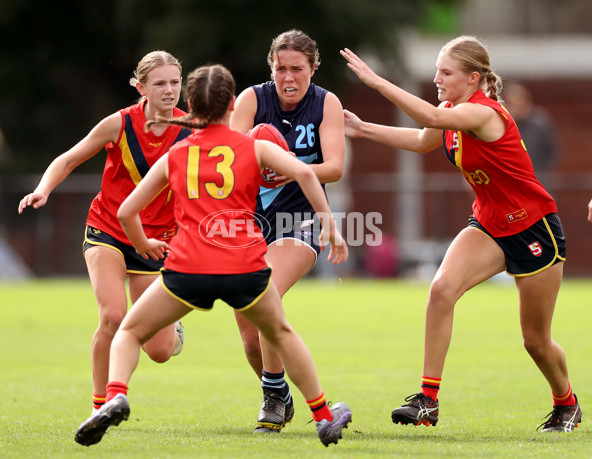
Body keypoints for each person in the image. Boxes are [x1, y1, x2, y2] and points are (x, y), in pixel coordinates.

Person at [73, 64, 352, 447]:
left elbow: (125, 212)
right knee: (281, 333)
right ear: (234, 105)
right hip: (244, 267)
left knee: (129, 331)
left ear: (189, 105)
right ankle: (322, 416)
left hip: (189, 268)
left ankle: (116, 394)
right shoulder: (255, 146)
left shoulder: (177, 153)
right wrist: (330, 227)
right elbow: (306, 175)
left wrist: (144, 245)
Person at [340, 36, 582, 433]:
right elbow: (422, 140)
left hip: (532, 227)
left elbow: (433, 122)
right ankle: (427, 401)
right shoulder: (452, 109)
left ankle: (566, 403)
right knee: (441, 290)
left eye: (445, 72)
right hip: (488, 223)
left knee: (535, 341)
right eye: (436, 70)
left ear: (474, 78)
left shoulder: (484, 114)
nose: (436, 79)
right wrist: (362, 128)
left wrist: (378, 82)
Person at [18, 50, 188, 417]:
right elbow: (69, 158)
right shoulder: (119, 124)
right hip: (107, 230)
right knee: (113, 316)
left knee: (159, 351)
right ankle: (100, 407)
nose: (170, 90)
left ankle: (174, 332)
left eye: (175, 82)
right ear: (140, 87)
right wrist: (43, 190)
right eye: (160, 83)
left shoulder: (192, 127)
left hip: (156, 243)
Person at [230, 28, 346, 434]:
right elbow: (227, 152)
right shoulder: (252, 99)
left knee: (267, 293)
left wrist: (291, 169)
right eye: (281, 68)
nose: (288, 77)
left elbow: (334, 166)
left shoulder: (325, 103)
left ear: (313, 68)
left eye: (298, 68)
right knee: (249, 335)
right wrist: (256, 158)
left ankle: (274, 399)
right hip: (248, 222)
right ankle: (277, 389)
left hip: (299, 220)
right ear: (271, 68)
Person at [504, 82, 559, 186]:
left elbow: (552, 151)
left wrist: (541, 171)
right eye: (514, 104)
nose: (518, 108)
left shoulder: (540, 121)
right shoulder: (503, 123)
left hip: (539, 180)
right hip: (512, 181)